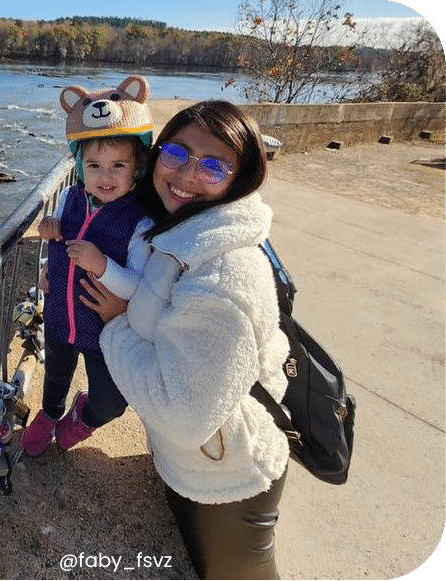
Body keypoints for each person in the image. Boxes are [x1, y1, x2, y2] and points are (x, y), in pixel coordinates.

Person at [80, 100, 291, 580]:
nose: (187, 174)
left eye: (213, 166)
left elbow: (184, 417)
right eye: (176, 153)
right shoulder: (183, 230)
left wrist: (116, 324)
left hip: (231, 480)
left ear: (241, 179)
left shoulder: (222, 277)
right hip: (196, 466)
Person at [20, 76, 155, 458]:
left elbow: (136, 286)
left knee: (111, 401)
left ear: (137, 168)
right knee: (55, 377)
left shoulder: (140, 221)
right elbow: (58, 241)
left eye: (118, 165)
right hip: (59, 318)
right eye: (93, 165)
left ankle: (84, 417)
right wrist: (49, 234)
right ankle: (50, 414)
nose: (104, 177)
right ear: (79, 165)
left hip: (106, 333)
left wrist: (101, 265)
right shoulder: (69, 196)